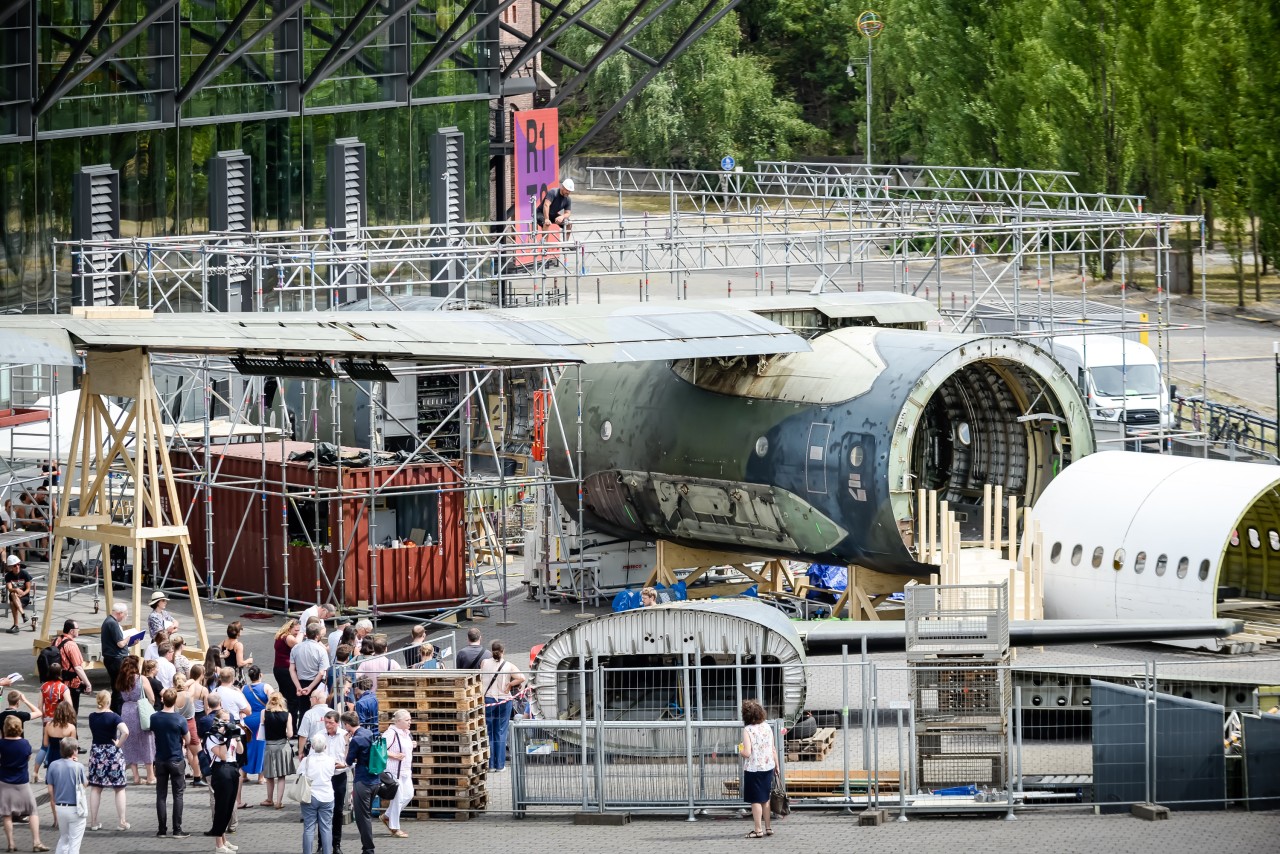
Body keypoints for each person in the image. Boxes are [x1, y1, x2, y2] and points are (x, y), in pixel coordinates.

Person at [0, 715, 48, 851]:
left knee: (7, 813)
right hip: (22, 782)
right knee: (32, 810)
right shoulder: (25, 743)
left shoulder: (1, 744)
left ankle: (11, 843)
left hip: (4, 781)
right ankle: (36, 842)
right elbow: (27, 757)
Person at [151, 687, 192, 839]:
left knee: (161, 795)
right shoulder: (180, 719)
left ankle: (162, 830)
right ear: (175, 701)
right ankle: (177, 829)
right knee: (178, 795)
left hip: (160, 759)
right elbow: (188, 739)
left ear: (163, 700)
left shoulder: (154, 717)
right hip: (176, 759)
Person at [86, 689, 129, 832]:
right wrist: (118, 744)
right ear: (109, 701)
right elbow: (126, 732)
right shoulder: (114, 717)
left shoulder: (92, 716)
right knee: (119, 787)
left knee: (96, 788)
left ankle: (93, 821)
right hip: (112, 753)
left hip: (97, 752)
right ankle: (122, 821)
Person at [479, 641, 524, 771]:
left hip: (488, 699)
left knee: (489, 732)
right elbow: (521, 677)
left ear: (491, 650)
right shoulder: (508, 665)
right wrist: (510, 685)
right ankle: (500, 765)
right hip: (504, 701)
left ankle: (491, 764)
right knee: (501, 732)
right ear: (503, 651)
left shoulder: (484, 663)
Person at [737, 698, 778, 839]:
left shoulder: (748, 730)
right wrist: (777, 765)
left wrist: (739, 748)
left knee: (755, 800)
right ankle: (768, 827)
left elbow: (747, 753)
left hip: (754, 769)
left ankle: (757, 829)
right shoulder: (767, 726)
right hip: (768, 766)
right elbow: (773, 749)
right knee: (765, 799)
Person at [203, 710, 242, 854]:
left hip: (232, 769)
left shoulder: (228, 736)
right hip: (220, 770)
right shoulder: (211, 737)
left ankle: (224, 840)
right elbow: (223, 756)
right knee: (221, 807)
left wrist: (236, 738)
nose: (227, 723)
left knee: (230, 806)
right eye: (224, 720)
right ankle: (219, 844)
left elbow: (240, 751)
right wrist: (223, 738)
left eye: (229, 720)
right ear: (217, 721)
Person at [341, 711, 376, 854]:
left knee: (362, 817)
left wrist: (346, 743)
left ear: (347, 725)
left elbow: (348, 761)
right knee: (366, 814)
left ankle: (368, 849)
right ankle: (367, 848)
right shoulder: (368, 733)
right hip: (375, 779)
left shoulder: (355, 740)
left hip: (363, 780)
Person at [117, 656, 155, 787]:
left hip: (126, 710)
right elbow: (152, 698)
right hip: (139, 710)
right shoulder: (141, 679)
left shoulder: (121, 679)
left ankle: (136, 777)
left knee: (130, 743)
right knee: (146, 741)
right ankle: (150, 776)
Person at [45, 739, 86, 854]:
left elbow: (50, 789)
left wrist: (54, 800)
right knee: (74, 843)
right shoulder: (78, 766)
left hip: (60, 807)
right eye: (77, 749)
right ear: (73, 751)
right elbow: (85, 784)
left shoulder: (53, 765)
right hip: (76, 809)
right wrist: (76, 764)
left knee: (64, 838)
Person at [299, 732, 337, 854]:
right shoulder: (331, 760)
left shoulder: (306, 760)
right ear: (325, 746)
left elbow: (300, 774)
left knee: (309, 827)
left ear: (312, 747)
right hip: (327, 795)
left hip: (310, 795)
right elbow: (332, 773)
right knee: (326, 828)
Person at [289, 622, 330, 729]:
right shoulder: (321, 650)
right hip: (316, 683)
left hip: (301, 682)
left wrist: (298, 686)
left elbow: (292, 669)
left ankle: (301, 735)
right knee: (318, 710)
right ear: (317, 635)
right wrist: (311, 687)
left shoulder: (296, 648)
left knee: (303, 710)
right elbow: (322, 672)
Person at [380, 709, 413, 838]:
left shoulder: (406, 733)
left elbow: (405, 747)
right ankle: (395, 828)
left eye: (410, 719)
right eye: (407, 720)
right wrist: (394, 755)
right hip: (393, 771)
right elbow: (379, 749)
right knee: (397, 798)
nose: (410, 722)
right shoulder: (390, 733)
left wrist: (412, 744)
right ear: (398, 721)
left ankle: (387, 816)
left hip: (405, 771)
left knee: (409, 795)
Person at [259, 692, 295, 809]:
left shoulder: (264, 713)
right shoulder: (287, 714)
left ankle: (269, 799)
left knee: (269, 775)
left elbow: (262, 728)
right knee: (281, 776)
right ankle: (279, 802)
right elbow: (290, 734)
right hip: (282, 746)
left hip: (269, 745)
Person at [319, 712, 348, 854]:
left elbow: (350, 759)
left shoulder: (344, 736)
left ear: (337, 722)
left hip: (339, 776)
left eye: (330, 722)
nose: (327, 725)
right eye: (326, 722)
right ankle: (321, 844)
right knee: (322, 811)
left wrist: (344, 765)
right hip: (324, 778)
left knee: (337, 811)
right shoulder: (320, 735)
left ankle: (336, 844)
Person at [40, 699, 76, 807]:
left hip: (52, 757)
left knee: (52, 788)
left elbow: (45, 744)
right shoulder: (71, 728)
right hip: (65, 758)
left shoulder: (48, 725)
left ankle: (55, 819)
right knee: (65, 786)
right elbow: (72, 747)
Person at [240, 666, 270, 783]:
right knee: (261, 747)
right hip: (261, 719)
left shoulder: (244, 688)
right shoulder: (266, 687)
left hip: (247, 720)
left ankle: (244, 774)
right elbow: (273, 702)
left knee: (247, 746)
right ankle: (261, 776)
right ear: (260, 675)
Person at [100, 603, 130, 714]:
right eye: (125, 614)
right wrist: (128, 638)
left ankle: (113, 710)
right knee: (119, 687)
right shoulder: (113, 623)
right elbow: (120, 644)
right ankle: (116, 711)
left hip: (111, 658)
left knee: (116, 686)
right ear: (120, 613)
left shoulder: (108, 621)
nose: (125, 617)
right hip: (116, 659)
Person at [56, 621, 91, 713]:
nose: (78, 630)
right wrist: (88, 684)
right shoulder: (71, 645)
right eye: (77, 629)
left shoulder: (57, 640)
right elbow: (77, 667)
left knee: (60, 711)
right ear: (71, 631)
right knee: (72, 712)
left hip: (59, 681)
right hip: (71, 683)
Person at [273, 620, 301, 726]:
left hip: (279, 669)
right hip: (286, 670)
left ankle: (284, 723)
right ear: (289, 628)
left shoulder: (280, 636)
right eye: (296, 630)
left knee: (285, 697)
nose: (297, 632)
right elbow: (297, 644)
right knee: (292, 700)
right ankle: (291, 726)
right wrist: (302, 633)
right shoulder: (288, 638)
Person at [186, 665, 210, 787]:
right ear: (201, 674)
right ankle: (199, 772)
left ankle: (194, 770)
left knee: (189, 747)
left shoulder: (187, 686)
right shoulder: (203, 690)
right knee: (199, 746)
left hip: (189, 716)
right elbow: (207, 708)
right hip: (200, 716)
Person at [296, 687, 331, 758]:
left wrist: (300, 752)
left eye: (311, 697)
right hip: (330, 748)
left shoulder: (309, 714)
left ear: (316, 698)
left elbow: (303, 735)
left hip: (313, 750)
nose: (309, 699)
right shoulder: (333, 712)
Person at [3, 555, 33, 634]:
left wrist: (23, 593)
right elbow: (9, 588)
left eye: (18, 564)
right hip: (14, 595)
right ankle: (23, 614)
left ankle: (16, 626)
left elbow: (28, 588)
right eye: (15, 565)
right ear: (11, 567)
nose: (17, 567)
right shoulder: (8, 576)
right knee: (13, 594)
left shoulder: (24, 573)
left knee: (13, 603)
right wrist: (16, 589)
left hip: (24, 597)